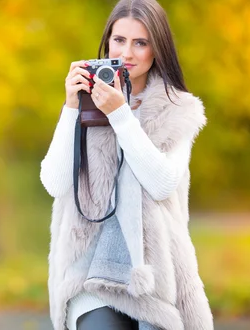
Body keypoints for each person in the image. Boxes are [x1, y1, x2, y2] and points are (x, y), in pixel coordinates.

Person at [40, 0, 214, 329]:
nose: (127, 54)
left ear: (157, 49)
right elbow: (54, 182)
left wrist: (121, 115)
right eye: (119, 40)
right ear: (107, 42)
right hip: (89, 272)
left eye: (140, 43)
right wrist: (71, 108)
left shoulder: (176, 110)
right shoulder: (85, 101)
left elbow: (162, 183)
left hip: (153, 275)